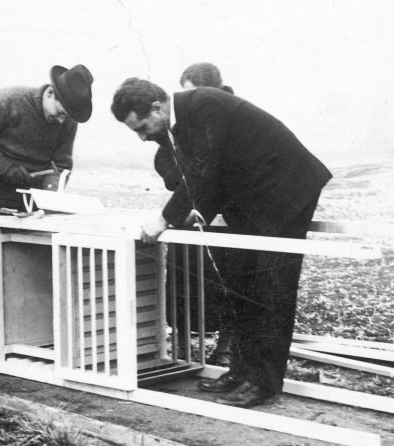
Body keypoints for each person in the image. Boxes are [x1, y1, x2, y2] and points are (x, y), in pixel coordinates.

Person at [111, 78, 331, 408]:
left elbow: (204, 169)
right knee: (241, 284)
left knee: (271, 289)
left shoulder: (203, 104)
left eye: (142, 126)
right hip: (253, 201)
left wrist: (165, 218)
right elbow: (212, 174)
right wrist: (199, 210)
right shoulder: (184, 124)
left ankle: (264, 383)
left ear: (158, 107)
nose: (143, 136)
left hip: (286, 194)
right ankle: (241, 372)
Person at [0, 64, 94, 345]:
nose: (61, 121)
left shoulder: (67, 119)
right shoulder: (7, 100)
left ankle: (32, 338)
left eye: (67, 117)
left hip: (33, 198)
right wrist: (6, 168)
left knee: (35, 259)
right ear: (50, 93)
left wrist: (49, 197)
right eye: (59, 113)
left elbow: (62, 164)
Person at [156, 63, 236, 365]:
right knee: (182, 278)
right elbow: (163, 154)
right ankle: (180, 346)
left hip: (221, 214)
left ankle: (225, 347)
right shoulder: (176, 121)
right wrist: (177, 177)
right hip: (186, 209)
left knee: (226, 278)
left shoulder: (226, 116)